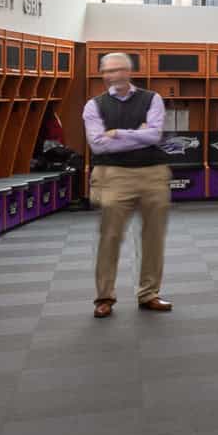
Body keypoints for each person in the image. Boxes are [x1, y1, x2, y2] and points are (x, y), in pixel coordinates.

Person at [84, 52, 172, 317]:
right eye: (105, 71)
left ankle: (149, 294)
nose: (110, 75)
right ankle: (104, 297)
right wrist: (138, 134)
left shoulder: (152, 98)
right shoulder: (93, 105)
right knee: (110, 237)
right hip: (113, 175)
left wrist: (118, 133)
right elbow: (97, 143)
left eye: (115, 70)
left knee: (153, 238)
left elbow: (155, 135)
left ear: (128, 71)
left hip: (152, 174)